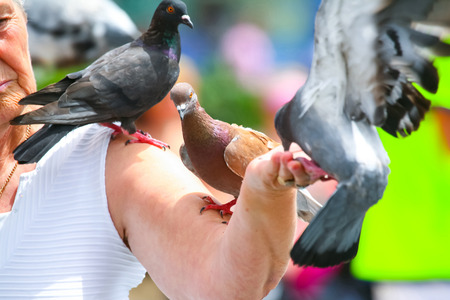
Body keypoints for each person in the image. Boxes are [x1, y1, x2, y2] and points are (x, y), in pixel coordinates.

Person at [0, 0, 314, 299]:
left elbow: (225, 282)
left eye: (2, 21)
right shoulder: (149, 62)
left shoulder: (123, 163)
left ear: (27, 23)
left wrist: (267, 193)